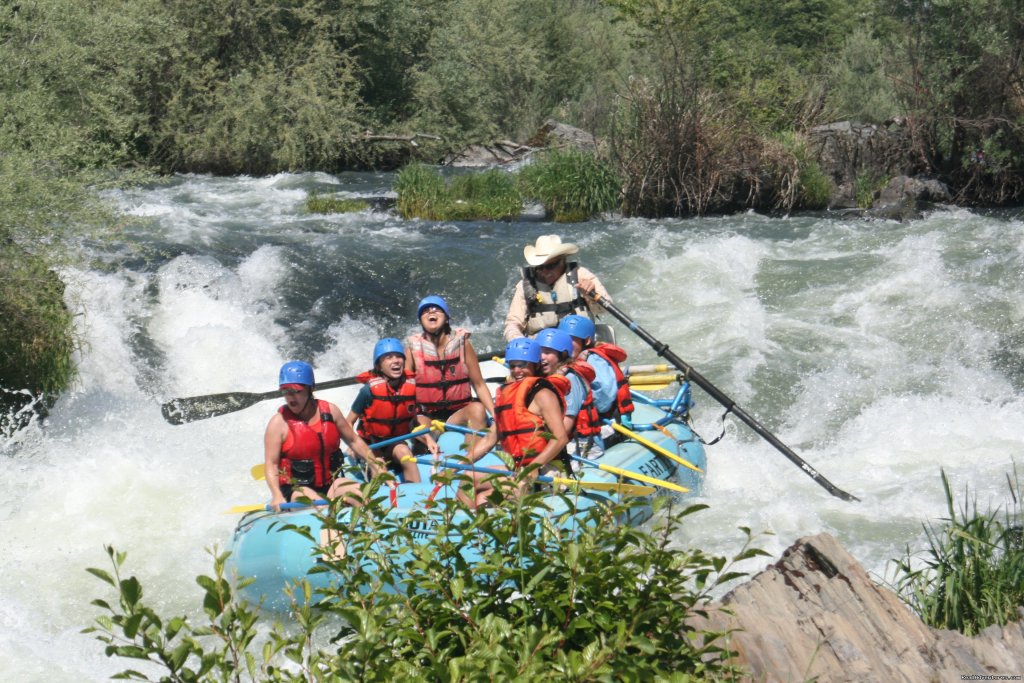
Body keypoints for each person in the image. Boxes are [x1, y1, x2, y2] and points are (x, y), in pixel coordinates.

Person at [264, 361, 390, 510]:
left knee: (361, 495)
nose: (290, 397)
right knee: (320, 507)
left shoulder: (330, 411)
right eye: (286, 391)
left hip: (330, 484)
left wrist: (377, 466)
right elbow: (271, 464)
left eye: (296, 391)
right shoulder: (278, 423)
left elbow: (353, 440)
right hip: (297, 489)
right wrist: (277, 495)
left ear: (310, 389)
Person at [462, 337, 570, 508]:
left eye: (522, 365)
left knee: (482, 500)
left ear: (535, 364)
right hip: (517, 468)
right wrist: (460, 463)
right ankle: (461, 527)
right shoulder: (508, 396)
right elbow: (490, 438)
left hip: (546, 468)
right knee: (467, 477)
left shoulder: (543, 394)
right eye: (513, 366)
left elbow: (561, 438)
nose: (517, 370)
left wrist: (533, 466)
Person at [348, 338, 439, 484]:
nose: (396, 361)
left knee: (405, 453)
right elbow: (348, 423)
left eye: (398, 357)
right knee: (379, 465)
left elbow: (413, 422)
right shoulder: (368, 391)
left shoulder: (410, 388)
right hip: (371, 446)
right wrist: (352, 445)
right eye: (389, 357)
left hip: (395, 443)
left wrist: (427, 438)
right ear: (379, 365)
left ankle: (417, 492)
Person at [405, 295, 496, 436]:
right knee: (417, 424)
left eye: (436, 309)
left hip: (457, 415)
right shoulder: (412, 349)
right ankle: (429, 449)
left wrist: (496, 416)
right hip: (427, 416)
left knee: (477, 409)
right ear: (421, 321)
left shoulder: (462, 344)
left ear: (446, 318)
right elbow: (405, 391)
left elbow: (479, 384)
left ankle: (472, 455)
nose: (431, 312)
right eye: (425, 311)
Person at [503, 234, 611, 342]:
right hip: (542, 348)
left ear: (563, 260)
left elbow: (604, 309)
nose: (545, 272)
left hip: (577, 345)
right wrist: (518, 341)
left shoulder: (581, 276)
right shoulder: (526, 286)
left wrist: (590, 294)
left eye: (551, 266)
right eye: (540, 267)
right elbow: (513, 324)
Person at [535, 327, 604, 460]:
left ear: (562, 355)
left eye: (548, 352)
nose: (541, 357)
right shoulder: (542, 377)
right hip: (554, 441)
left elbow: (565, 427)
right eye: (539, 352)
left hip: (580, 448)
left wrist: (539, 460)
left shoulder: (570, 379)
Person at [558, 314, 635, 428]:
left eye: (571, 339)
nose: (566, 344)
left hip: (608, 423)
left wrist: (577, 399)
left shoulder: (594, 360)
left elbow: (605, 401)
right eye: (563, 339)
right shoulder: (572, 360)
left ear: (587, 341)